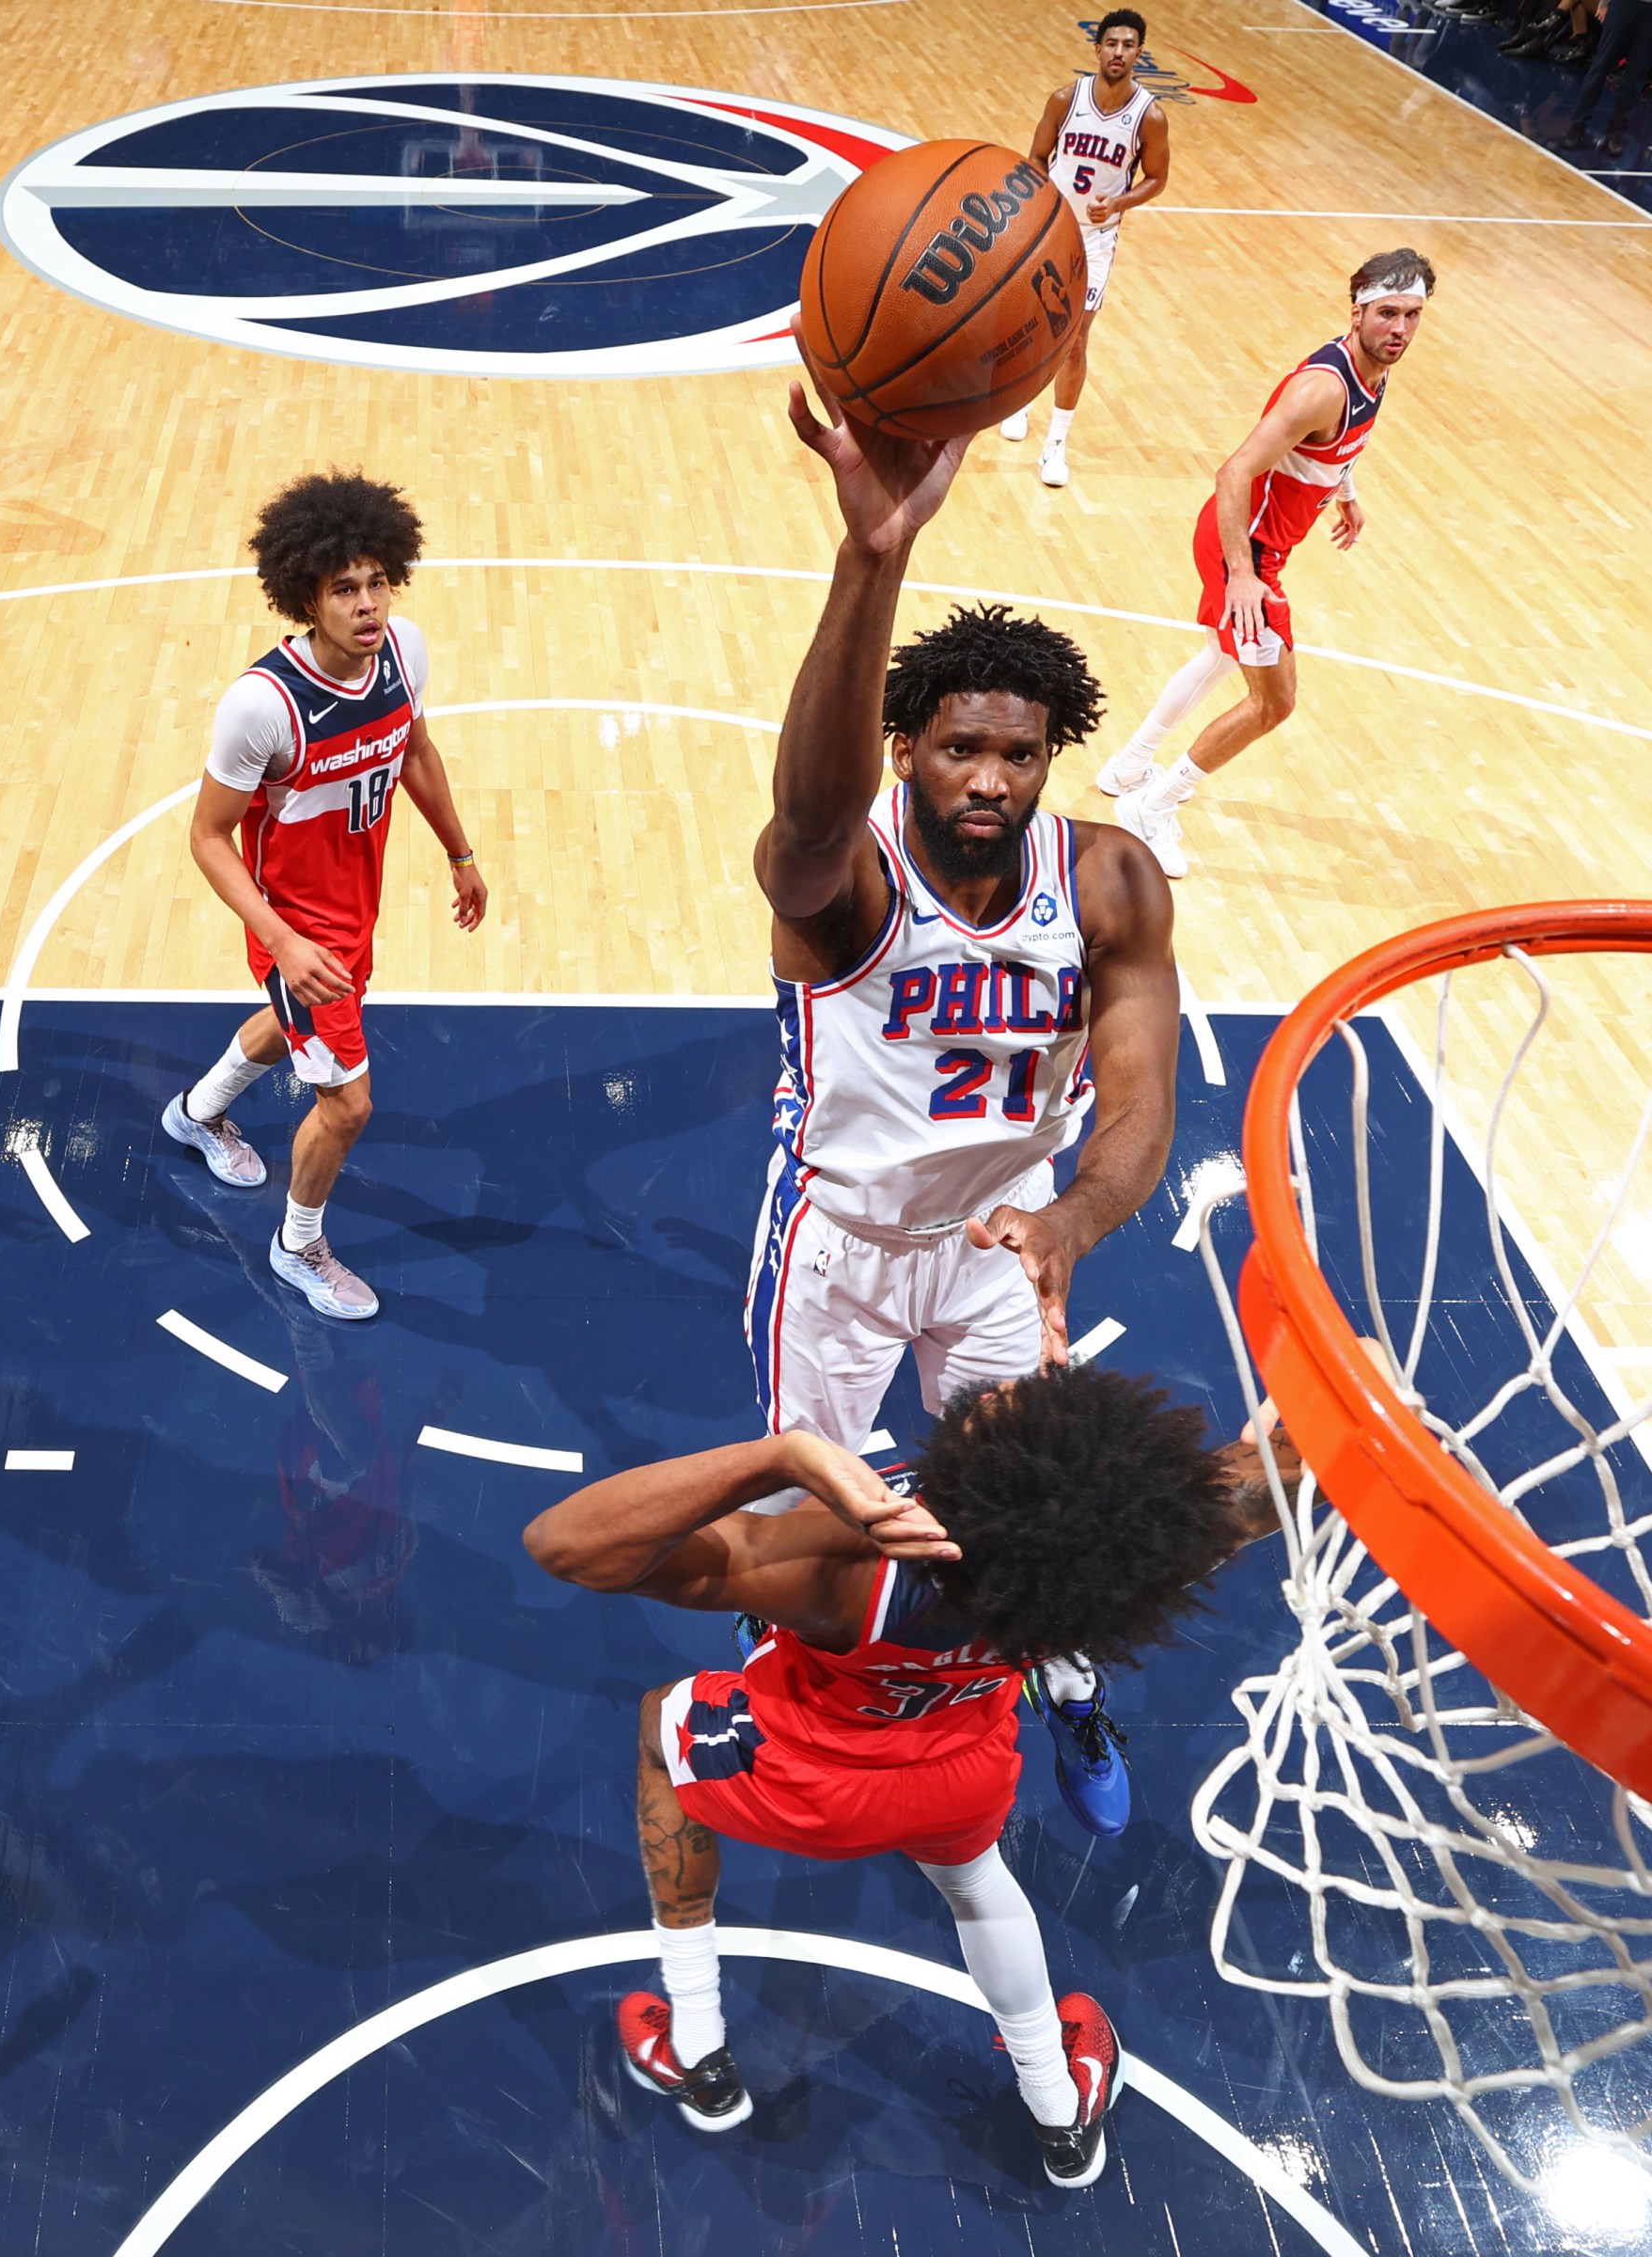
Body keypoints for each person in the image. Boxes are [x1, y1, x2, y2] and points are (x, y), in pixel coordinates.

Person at [747, 325, 1181, 1829]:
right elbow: (801, 813)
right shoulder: (848, 881)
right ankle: (805, 1686)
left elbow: (1136, 1102)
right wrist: (871, 558)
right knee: (828, 1502)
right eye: (954, 749)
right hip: (842, 1249)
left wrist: (1075, 1220)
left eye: (1018, 751)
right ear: (908, 752)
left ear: (1053, 753)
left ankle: (1056, 1675)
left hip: (1002, 1241)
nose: (988, 778)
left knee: (1028, 1509)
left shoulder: (1111, 882)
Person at [520, 1362, 1283, 2181]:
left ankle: (697, 2043)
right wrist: (1334, 1402)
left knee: (657, 1731)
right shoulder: (1134, 1543)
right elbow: (1291, 1473)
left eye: (1009, 1409)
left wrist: (777, 1459)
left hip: (812, 1778)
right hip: (959, 1769)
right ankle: (1060, 2111)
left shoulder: (848, 1568)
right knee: (977, 1887)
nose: (1001, 1389)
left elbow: (563, 1545)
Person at [166, 473, 487, 1320]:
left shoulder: (405, 654)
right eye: (344, 587)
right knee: (346, 1104)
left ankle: (197, 1115)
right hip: (295, 926)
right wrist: (281, 941)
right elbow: (207, 836)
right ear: (304, 595)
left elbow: (415, 750)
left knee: (296, 1030)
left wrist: (460, 851)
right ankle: (297, 1244)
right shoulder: (262, 708)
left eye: (378, 581)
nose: (368, 603)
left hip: (355, 912)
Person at [1102, 248, 1435, 879]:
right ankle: (1153, 805)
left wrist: (1346, 492)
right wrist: (1244, 576)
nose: (1400, 329)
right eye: (1388, 313)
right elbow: (1233, 471)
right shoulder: (1322, 390)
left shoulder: (1375, 369)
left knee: (1220, 656)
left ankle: (1128, 766)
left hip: (1258, 548)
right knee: (1273, 703)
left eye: (1413, 315)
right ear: (1357, 310)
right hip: (1245, 551)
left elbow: (1339, 448)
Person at [998, 9, 1171, 490]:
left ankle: (1056, 442)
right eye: (1111, 43)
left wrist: (1119, 201)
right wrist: (1039, 197)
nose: (1119, 52)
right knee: (1031, 322)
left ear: (1139, 52)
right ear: (1096, 49)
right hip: (1050, 227)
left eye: (1129, 45)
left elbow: (1157, 178)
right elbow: (1036, 156)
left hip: (1096, 239)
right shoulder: (1064, 100)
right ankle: (1020, 401)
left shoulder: (1149, 116)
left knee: (1073, 337)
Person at [1555, 0, 1652, 155]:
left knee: (1637, 72)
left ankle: (1616, 133)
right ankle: (1577, 125)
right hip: (1624, 4)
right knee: (1602, 63)